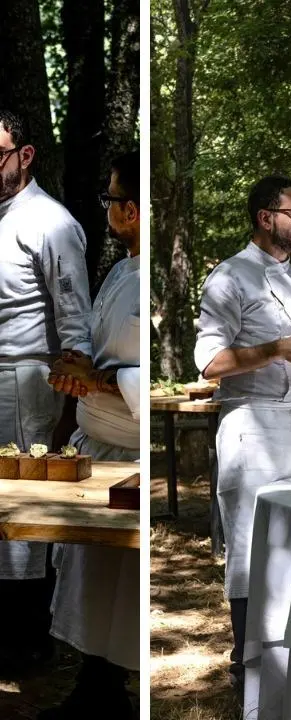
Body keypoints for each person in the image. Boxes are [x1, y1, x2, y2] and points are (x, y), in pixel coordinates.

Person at [194, 175, 291, 690]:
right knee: (251, 545)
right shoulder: (228, 278)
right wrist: (278, 349)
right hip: (252, 429)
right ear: (265, 217)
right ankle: (246, 664)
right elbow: (210, 362)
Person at [43, 150, 140, 719]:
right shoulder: (122, 267)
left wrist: (99, 379)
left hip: (125, 453)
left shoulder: (144, 272)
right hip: (96, 442)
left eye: (110, 199)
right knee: (93, 584)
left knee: (120, 591)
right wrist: (82, 367)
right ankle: (95, 686)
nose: (106, 208)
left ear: (129, 210)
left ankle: (113, 694)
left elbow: (137, 370)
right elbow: (109, 352)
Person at [0, 109, 92, 671]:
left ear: (24, 155)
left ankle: (26, 637)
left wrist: (71, 395)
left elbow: (74, 316)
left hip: (29, 377)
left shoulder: (50, 222)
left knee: (24, 505)